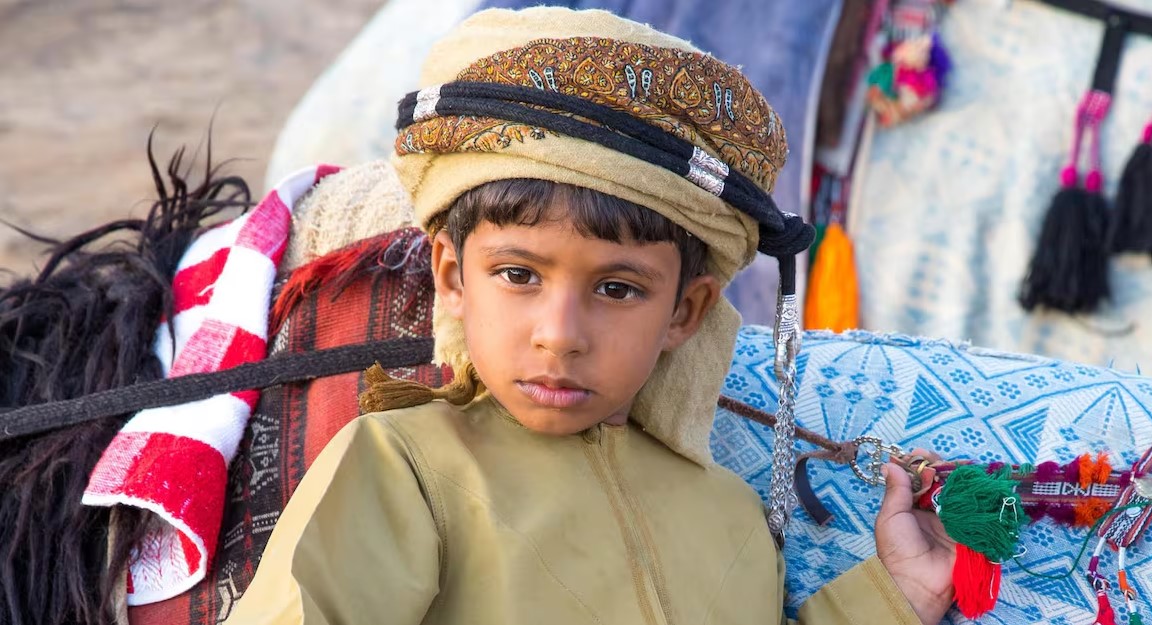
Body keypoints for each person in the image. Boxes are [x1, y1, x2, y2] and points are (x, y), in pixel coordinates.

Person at [227, 7, 955, 624]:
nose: (560, 334)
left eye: (616, 289)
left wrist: (895, 594)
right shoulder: (403, 465)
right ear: (453, 276)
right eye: (517, 275)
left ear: (686, 311)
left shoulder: (728, 511)